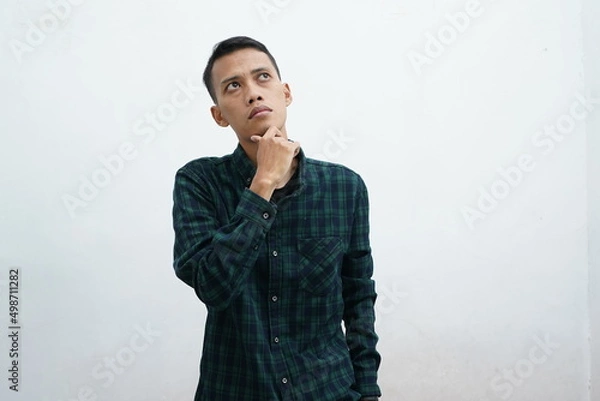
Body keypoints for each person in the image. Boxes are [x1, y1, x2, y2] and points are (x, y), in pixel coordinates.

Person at [171, 36, 381, 401]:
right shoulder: (198, 182)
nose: (252, 93)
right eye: (233, 86)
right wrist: (262, 184)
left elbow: (358, 298)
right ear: (218, 114)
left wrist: (367, 391)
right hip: (235, 390)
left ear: (286, 93)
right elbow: (213, 285)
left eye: (262, 77)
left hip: (327, 391)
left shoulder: (345, 187)